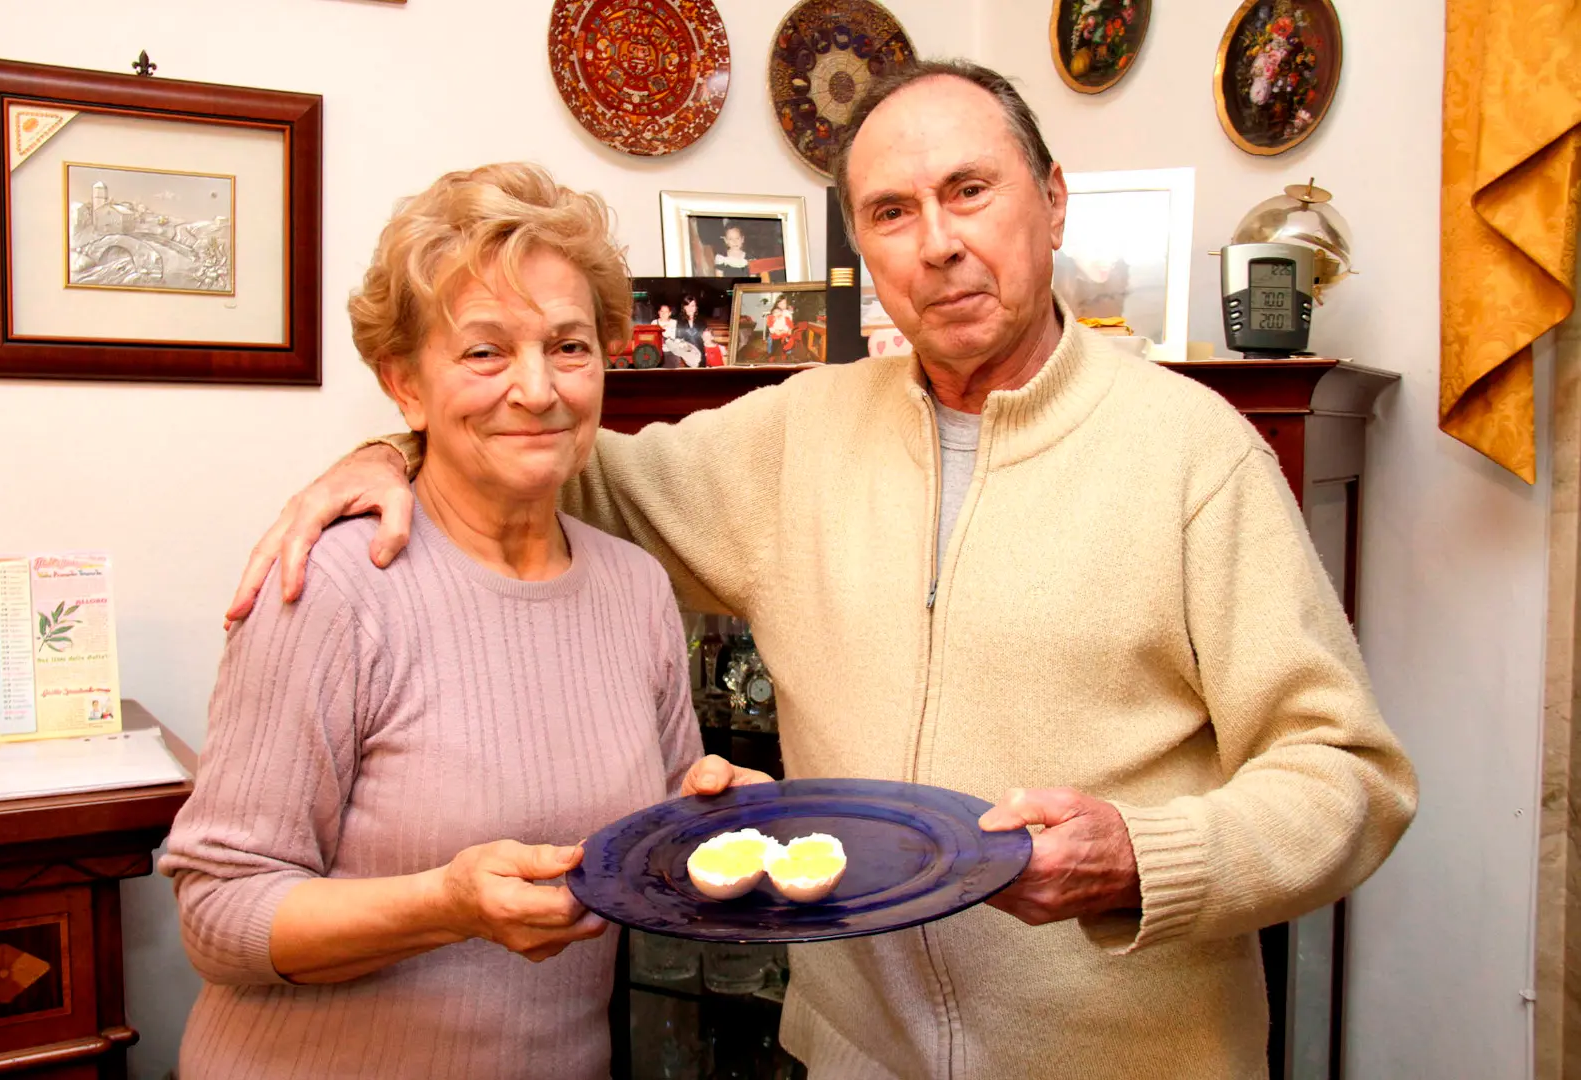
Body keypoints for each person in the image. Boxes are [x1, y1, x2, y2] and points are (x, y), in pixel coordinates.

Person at [226, 61, 1416, 1080]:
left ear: (1052, 204)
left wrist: (1142, 858)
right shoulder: (790, 434)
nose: (937, 241)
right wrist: (388, 447)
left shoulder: (1195, 454)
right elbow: (543, 445)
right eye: (892, 212)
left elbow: (1347, 777)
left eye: (970, 191)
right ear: (865, 247)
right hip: (848, 1057)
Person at [163, 164, 765, 1080]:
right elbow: (218, 914)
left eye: (568, 347)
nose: (538, 389)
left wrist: (710, 821)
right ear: (404, 386)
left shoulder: (637, 588)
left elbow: (644, 846)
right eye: (484, 352)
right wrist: (446, 904)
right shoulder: (330, 586)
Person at [765, 293, 796, 361]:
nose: (782, 305)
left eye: (784, 303)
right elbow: (770, 323)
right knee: (771, 339)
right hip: (775, 331)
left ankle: (786, 352)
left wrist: (785, 331)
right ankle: (771, 353)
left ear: (786, 304)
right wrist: (775, 331)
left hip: (785, 331)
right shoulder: (774, 312)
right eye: (780, 303)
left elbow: (789, 323)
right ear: (777, 304)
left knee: (788, 340)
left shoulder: (788, 313)